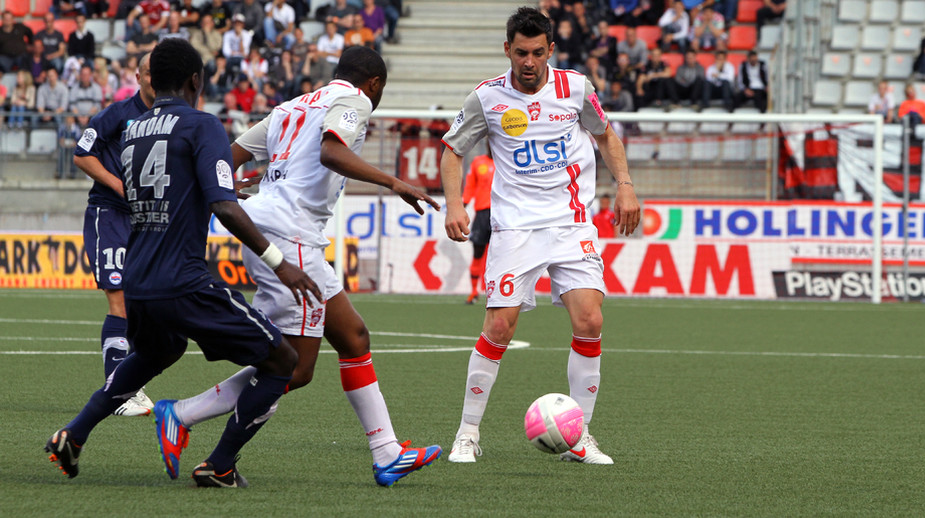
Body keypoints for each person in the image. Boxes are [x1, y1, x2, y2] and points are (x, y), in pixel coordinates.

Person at [151, 45, 443, 488]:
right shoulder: (356, 100)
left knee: (353, 335)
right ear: (375, 84)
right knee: (293, 368)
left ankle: (387, 452)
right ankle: (193, 428)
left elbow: (228, 157)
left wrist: (246, 189)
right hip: (291, 239)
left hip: (274, 228)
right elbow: (331, 152)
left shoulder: (293, 105)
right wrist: (393, 181)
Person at [45, 38, 321, 488]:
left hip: (139, 280)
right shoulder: (203, 124)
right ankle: (220, 465)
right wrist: (280, 263)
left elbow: (170, 191)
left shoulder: (134, 129)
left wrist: (221, 192)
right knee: (284, 360)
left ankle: (73, 434)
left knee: (160, 351)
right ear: (196, 80)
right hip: (183, 281)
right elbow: (225, 208)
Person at [441, 7, 640, 465]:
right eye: (519, 53)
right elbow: (451, 151)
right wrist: (455, 203)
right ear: (506, 49)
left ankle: (580, 437)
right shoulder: (487, 98)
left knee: (590, 321)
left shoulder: (576, 88)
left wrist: (625, 185)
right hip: (515, 227)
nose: (528, 62)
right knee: (498, 326)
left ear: (550, 50)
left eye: (536, 53)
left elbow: (606, 136)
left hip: (572, 222)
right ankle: (468, 433)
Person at [71, 54, 157, 416]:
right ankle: (119, 393)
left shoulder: (172, 118)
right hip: (109, 215)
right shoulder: (115, 114)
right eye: (149, 72)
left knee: (144, 306)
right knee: (119, 299)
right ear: (137, 76)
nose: (155, 78)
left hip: (148, 221)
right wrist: (120, 186)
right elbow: (81, 154)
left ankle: (126, 383)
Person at [462, 152, 494, 305]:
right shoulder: (477, 162)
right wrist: (463, 204)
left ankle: (498, 293)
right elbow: (470, 185)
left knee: (502, 256)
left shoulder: (507, 159)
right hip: (482, 214)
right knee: (478, 253)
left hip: (502, 213)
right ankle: (474, 291)